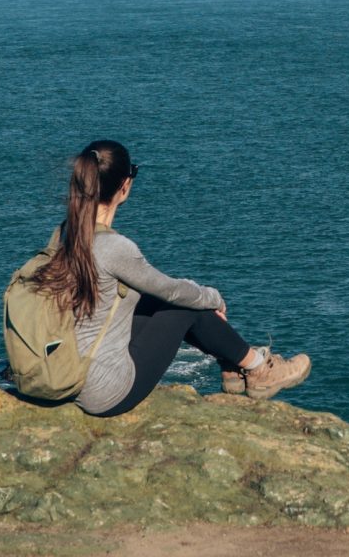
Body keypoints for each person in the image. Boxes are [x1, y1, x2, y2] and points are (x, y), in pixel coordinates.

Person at [29, 139, 310, 416]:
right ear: (125, 186)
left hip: (67, 370)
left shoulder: (66, 234)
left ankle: (234, 364)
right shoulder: (113, 248)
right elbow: (172, 292)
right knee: (183, 306)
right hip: (102, 392)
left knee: (159, 301)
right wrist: (213, 298)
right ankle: (258, 368)